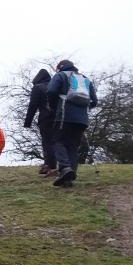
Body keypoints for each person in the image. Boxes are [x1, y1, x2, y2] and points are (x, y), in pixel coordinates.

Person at [46, 60, 98, 188]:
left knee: (58, 141)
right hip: (82, 119)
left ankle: (64, 168)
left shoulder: (60, 76)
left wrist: (53, 107)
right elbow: (94, 101)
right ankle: (68, 178)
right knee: (73, 147)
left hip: (64, 115)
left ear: (60, 67)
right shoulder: (85, 79)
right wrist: (82, 110)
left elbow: (51, 91)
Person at [23, 68, 57, 175]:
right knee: (56, 142)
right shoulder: (55, 86)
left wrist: (27, 122)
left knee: (47, 142)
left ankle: (51, 166)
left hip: (46, 118)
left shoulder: (38, 88)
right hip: (60, 118)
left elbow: (33, 106)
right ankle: (49, 165)